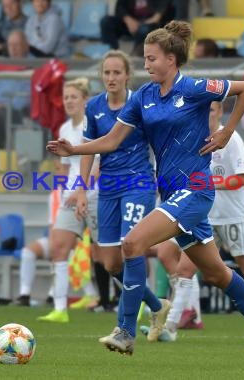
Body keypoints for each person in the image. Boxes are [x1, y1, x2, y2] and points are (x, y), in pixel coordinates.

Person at [48, 20, 244, 366]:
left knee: (132, 244)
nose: (146, 65)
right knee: (216, 274)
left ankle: (125, 332)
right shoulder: (144, 97)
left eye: (151, 59)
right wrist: (76, 150)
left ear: (171, 60)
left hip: (195, 190)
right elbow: (113, 140)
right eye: (145, 59)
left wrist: (225, 132)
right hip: (173, 194)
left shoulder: (193, 89)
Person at [141, 101, 244, 345]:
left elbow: (243, 179)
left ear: (220, 111)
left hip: (235, 216)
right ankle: (170, 327)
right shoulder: (192, 139)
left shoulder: (231, 139)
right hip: (203, 216)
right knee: (184, 269)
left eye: (211, 110)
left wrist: (210, 184)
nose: (206, 115)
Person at [79, 49, 171, 343]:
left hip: (138, 184)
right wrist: (81, 187)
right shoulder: (93, 107)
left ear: (127, 75)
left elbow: (158, 142)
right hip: (107, 188)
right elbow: (89, 148)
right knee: (110, 263)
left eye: (117, 72)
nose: (111, 78)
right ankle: (157, 306)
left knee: (131, 248)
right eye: (106, 73)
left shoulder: (141, 103)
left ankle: (124, 328)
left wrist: (162, 178)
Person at [36, 77, 100, 323]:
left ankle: (139, 303)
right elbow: (63, 168)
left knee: (109, 257)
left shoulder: (92, 124)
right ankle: (60, 308)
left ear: (85, 99)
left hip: (95, 195)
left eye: (74, 96)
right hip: (70, 198)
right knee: (58, 248)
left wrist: (81, 189)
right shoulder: (64, 129)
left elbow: (99, 165)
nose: (69, 101)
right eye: (66, 97)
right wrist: (64, 193)